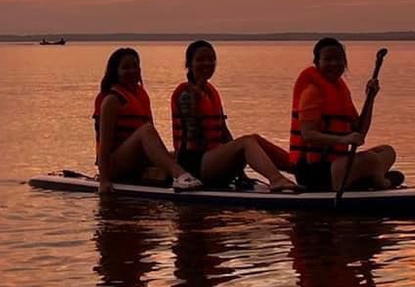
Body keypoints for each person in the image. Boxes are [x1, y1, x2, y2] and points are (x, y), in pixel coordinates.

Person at [171, 39, 302, 193]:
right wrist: (195, 99)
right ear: (189, 64)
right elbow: (192, 136)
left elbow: (224, 134)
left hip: (212, 160)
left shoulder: (210, 92)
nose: (207, 63)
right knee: (246, 142)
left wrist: (238, 168)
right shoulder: (186, 94)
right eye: (200, 59)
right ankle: (277, 180)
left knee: (254, 139)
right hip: (194, 165)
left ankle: (300, 171)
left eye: (211, 59)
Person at [288, 37, 399, 192]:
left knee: (387, 151)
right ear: (317, 62)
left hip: (339, 164)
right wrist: (343, 139)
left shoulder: (341, 91)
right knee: (371, 160)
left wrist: (371, 98)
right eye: (328, 59)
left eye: (339, 59)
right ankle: (382, 182)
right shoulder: (312, 92)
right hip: (315, 171)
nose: (334, 64)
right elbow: (308, 135)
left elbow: (359, 132)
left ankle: (364, 178)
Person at [94, 47, 202, 192]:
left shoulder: (141, 95)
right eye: (125, 67)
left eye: (135, 66)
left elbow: (151, 143)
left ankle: (197, 179)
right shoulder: (112, 100)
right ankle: (180, 175)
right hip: (114, 165)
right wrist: (104, 180)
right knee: (146, 130)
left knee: (182, 155)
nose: (132, 71)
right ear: (116, 72)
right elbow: (104, 145)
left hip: (137, 161)